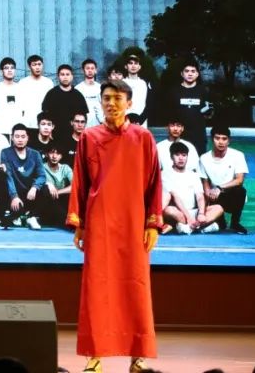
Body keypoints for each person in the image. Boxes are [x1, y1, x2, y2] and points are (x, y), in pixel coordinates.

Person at [67, 79, 162, 372]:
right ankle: (94, 355)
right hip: (100, 222)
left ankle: (138, 356)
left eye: (118, 98)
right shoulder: (89, 137)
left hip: (134, 223)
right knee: (97, 288)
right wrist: (80, 224)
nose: (111, 103)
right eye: (107, 98)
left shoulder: (143, 138)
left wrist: (153, 223)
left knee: (136, 286)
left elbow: (154, 183)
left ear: (130, 104)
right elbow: (80, 182)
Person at [162, 143, 221, 235]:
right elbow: (175, 197)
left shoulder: (193, 175)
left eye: (184, 155)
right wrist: (188, 217)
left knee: (218, 208)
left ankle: (188, 227)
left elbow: (200, 196)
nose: (181, 158)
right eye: (177, 155)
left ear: (187, 157)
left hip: (194, 212)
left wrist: (201, 214)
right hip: (179, 212)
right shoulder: (164, 174)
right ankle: (202, 227)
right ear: (171, 157)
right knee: (169, 210)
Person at [199, 126, 248, 235]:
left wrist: (219, 188)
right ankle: (220, 221)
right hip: (214, 197)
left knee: (241, 191)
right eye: (217, 138)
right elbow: (205, 184)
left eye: (224, 139)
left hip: (232, 196)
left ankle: (235, 223)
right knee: (220, 227)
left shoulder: (238, 155)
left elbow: (239, 180)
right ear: (212, 139)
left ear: (229, 141)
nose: (220, 142)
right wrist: (209, 195)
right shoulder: (204, 158)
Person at [0, 125, 45, 230]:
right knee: (2, 178)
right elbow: (8, 176)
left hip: (29, 193)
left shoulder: (35, 154)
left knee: (45, 188)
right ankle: (9, 216)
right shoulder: (5, 153)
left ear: (27, 138)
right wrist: (14, 196)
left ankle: (32, 216)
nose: (20, 140)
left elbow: (42, 175)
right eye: (17, 136)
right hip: (13, 192)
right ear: (12, 138)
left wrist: (35, 187)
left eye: (23, 137)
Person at [167, 60, 211, 155]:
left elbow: (209, 114)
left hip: (198, 136)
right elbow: (169, 115)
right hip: (179, 136)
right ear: (182, 74)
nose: (190, 74)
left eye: (193, 71)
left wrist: (209, 113)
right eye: (187, 71)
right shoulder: (174, 91)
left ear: (197, 74)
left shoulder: (203, 91)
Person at [41, 64, 89, 143]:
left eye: (67, 74)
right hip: (55, 135)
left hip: (74, 136)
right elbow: (45, 115)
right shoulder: (51, 94)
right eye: (62, 74)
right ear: (58, 77)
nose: (65, 77)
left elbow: (84, 117)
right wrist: (48, 131)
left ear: (72, 76)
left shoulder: (78, 95)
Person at [16, 55, 53, 131]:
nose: (37, 67)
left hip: (44, 123)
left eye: (39, 64)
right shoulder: (23, 83)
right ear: (29, 67)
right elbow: (19, 105)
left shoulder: (48, 83)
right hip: (27, 123)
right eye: (34, 65)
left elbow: (51, 103)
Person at [39, 144, 72, 227]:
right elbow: (36, 183)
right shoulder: (41, 167)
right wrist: (48, 184)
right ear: (46, 154)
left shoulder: (65, 168)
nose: (54, 156)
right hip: (47, 202)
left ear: (61, 156)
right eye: (52, 153)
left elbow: (75, 186)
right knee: (45, 189)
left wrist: (58, 192)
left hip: (61, 200)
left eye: (58, 153)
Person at [74, 59, 105, 128]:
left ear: (96, 70)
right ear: (83, 71)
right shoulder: (78, 89)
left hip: (99, 126)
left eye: (92, 68)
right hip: (83, 126)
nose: (90, 71)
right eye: (87, 68)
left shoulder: (101, 88)